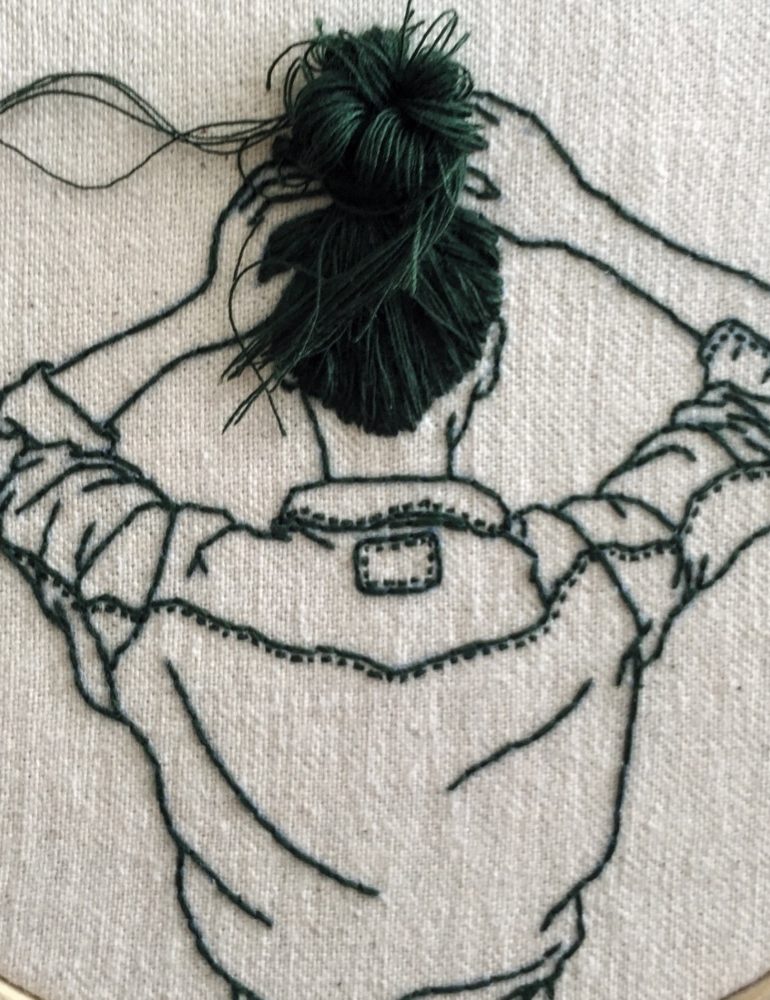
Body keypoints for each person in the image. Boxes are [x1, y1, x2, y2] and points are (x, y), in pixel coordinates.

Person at [2, 8, 770, 1000]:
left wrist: (201, 313)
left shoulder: (159, 584)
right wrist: (588, 220)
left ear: (282, 366)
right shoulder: (598, 572)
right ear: (486, 365)